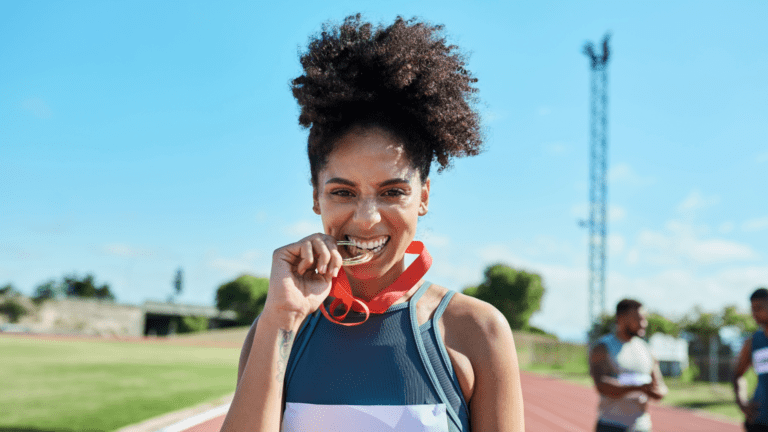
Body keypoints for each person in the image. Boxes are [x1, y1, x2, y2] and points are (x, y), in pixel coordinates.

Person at [220, 15, 524, 432]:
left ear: (424, 197)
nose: (366, 219)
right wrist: (281, 319)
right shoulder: (276, 328)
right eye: (343, 192)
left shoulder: (477, 330)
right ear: (315, 196)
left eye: (392, 192)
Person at [589, 299, 667, 432]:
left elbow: (661, 388)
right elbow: (601, 386)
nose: (644, 324)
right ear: (621, 318)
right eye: (639, 319)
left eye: (645, 319)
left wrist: (655, 391)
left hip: (642, 426)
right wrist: (639, 388)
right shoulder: (603, 347)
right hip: (611, 425)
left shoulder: (647, 349)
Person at [733, 288, 768, 432]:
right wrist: (742, 402)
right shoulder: (753, 342)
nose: (754, 313)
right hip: (759, 420)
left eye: (759, 308)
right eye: (752, 309)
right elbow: (737, 375)